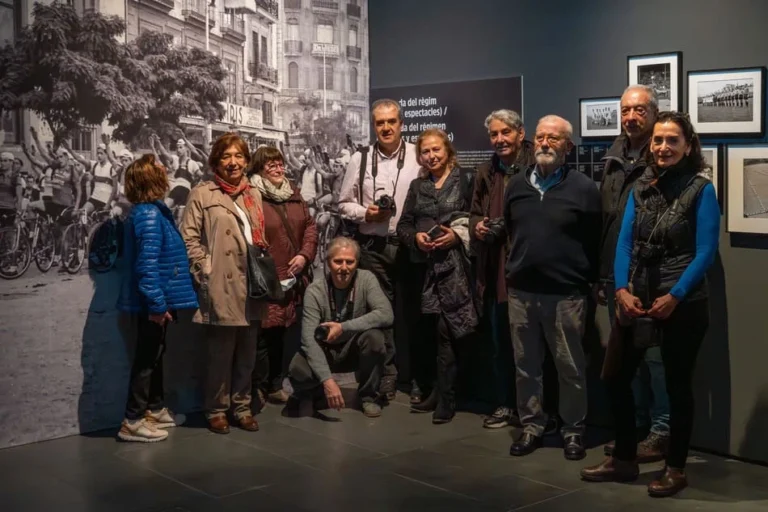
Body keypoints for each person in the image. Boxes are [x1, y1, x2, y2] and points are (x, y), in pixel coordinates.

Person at [581, 111, 720, 498]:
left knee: (677, 388)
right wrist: (622, 289)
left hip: (684, 302)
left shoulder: (700, 189)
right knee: (615, 378)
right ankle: (624, 459)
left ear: (688, 146)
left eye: (672, 140)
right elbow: (625, 242)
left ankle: (675, 468)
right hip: (636, 298)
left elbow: (706, 251)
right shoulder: (642, 185)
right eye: (658, 140)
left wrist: (675, 296)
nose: (662, 147)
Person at [504, 115, 602, 460]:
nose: (545, 144)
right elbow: (510, 233)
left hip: (566, 295)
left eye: (554, 139)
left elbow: (595, 240)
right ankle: (531, 426)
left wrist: (589, 281)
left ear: (568, 147)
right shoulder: (516, 185)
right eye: (541, 137)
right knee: (526, 366)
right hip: (521, 293)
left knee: (570, 368)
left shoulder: (584, 189)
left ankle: (573, 430)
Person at [599, 85, 671, 463]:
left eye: (639, 110)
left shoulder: (663, 155)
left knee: (657, 361)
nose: (631, 117)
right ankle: (638, 429)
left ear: (654, 113)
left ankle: (661, 433)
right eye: (625, 110)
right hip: (619, 275)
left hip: (654, 274)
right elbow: (609, 220)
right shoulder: (614, 156)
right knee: (628, 361)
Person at [180, 133, 266, 435]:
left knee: (247, 353)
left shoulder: (253, 194)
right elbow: (188, 236)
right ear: (216, 160)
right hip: (220, 282)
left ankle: (241, 407)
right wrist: (204, 266)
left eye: (239, 156)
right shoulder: (203, 193)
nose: (233, 162)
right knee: (220, 354)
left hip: (251, 283)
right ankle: (216, 409)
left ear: (246, 161)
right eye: (227, 156)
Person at [337, 98, 422, 402]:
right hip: (373, 247)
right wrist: (365, 214)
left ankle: (417, 378)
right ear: (373, 125)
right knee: (381, 315)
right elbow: (343, 203)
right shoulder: (360, 159)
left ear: (402, 124)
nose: (385, 128)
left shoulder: (418, 155)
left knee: (415, 313)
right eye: (379, 123)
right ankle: (388, 375)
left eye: (391, 122)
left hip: (410, 246)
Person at [396, 128, 478, 424]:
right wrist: (416, 237)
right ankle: (439, 392)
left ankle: (447, 397)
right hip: (425, 270)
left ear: (448, 151)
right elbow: (403, 225)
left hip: (457, 270)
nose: (431, 156)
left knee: (450, 332)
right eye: (425, 152)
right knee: (432, 334)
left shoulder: (466, 179)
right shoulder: (418, 186)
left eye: (436, 150)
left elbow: (476, 216)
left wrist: (456, 236)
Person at [115, 154, 198, 442]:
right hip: (152, 302)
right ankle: (133, 420)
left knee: (155, 354)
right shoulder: (149, 215)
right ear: (152, 180)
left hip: (158, 299)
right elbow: (147, 266)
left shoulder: (153, 210)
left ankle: (153, 408)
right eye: (161, 170)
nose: (167, 173)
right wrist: (157, 305)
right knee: (146, 358)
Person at [469, 109, 534, 429]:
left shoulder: (539, 165)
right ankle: (507, 404)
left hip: (533, 269)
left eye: (505, 132)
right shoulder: (485, 171)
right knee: (502, 346)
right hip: (496, 272)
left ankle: (537, 411)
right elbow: (473, 213)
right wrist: (477, 226)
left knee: (534, 348)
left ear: (521, 133)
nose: (499, 139)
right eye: (494, 134)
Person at [287, 236, 392, 418]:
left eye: (350, 262)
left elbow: (386, 314)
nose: (344, 267)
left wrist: (343, 327)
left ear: (357, 263)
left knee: (375, 339)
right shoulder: (315, 290)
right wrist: (328, 381)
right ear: (328, 262)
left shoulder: (367, 279)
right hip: (325, 351)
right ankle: (316, 390)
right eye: (338, 261)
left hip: (353, 349)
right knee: (297, 366)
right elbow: (308, 341)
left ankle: (368, 396)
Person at [248, 146, 317, 405]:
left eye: (280, 164)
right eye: (271, 165)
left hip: (292, 274)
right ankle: (258, 387)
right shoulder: (251, 197)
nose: (278, 169)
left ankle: (275, 384)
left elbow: (309, 227)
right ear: (258, 169)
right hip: (266, 275)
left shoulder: (293, 193)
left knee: (280, 333)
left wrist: (305, 255)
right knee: (262, 334)